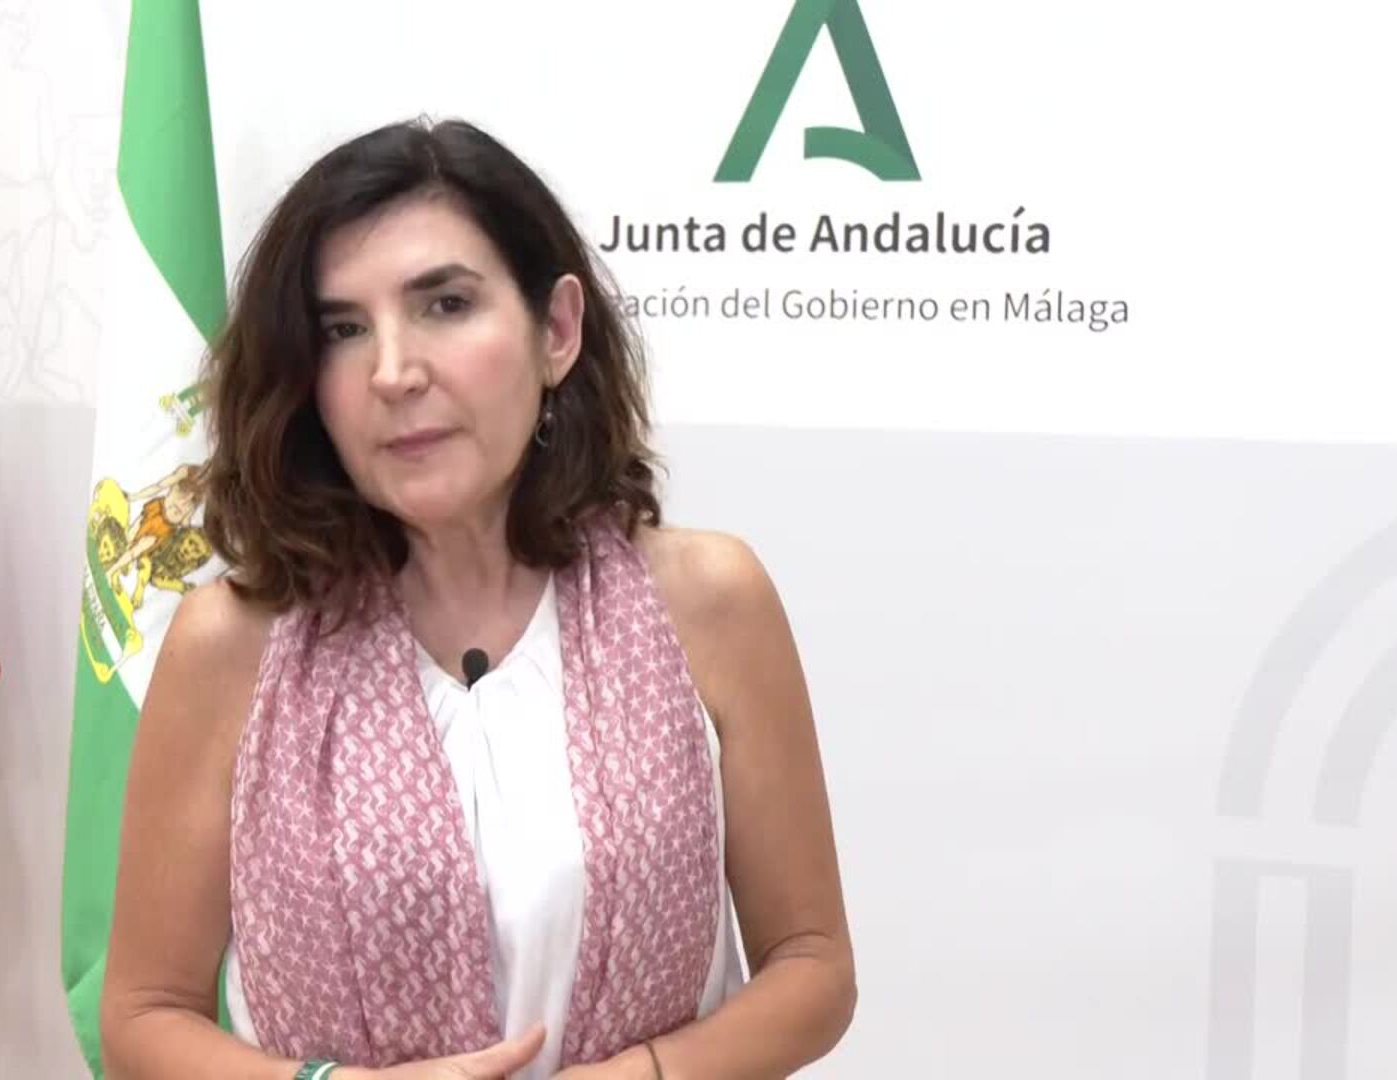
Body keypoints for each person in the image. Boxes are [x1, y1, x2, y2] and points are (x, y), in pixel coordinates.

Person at [99, 117, 855, 1080]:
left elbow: (813, 967)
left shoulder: (708, 601)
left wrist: (646, 1077)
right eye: (342, 330)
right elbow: (143, 1016)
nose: (393, 372)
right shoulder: (232, 642)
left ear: (557, 331)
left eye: (445, 305)